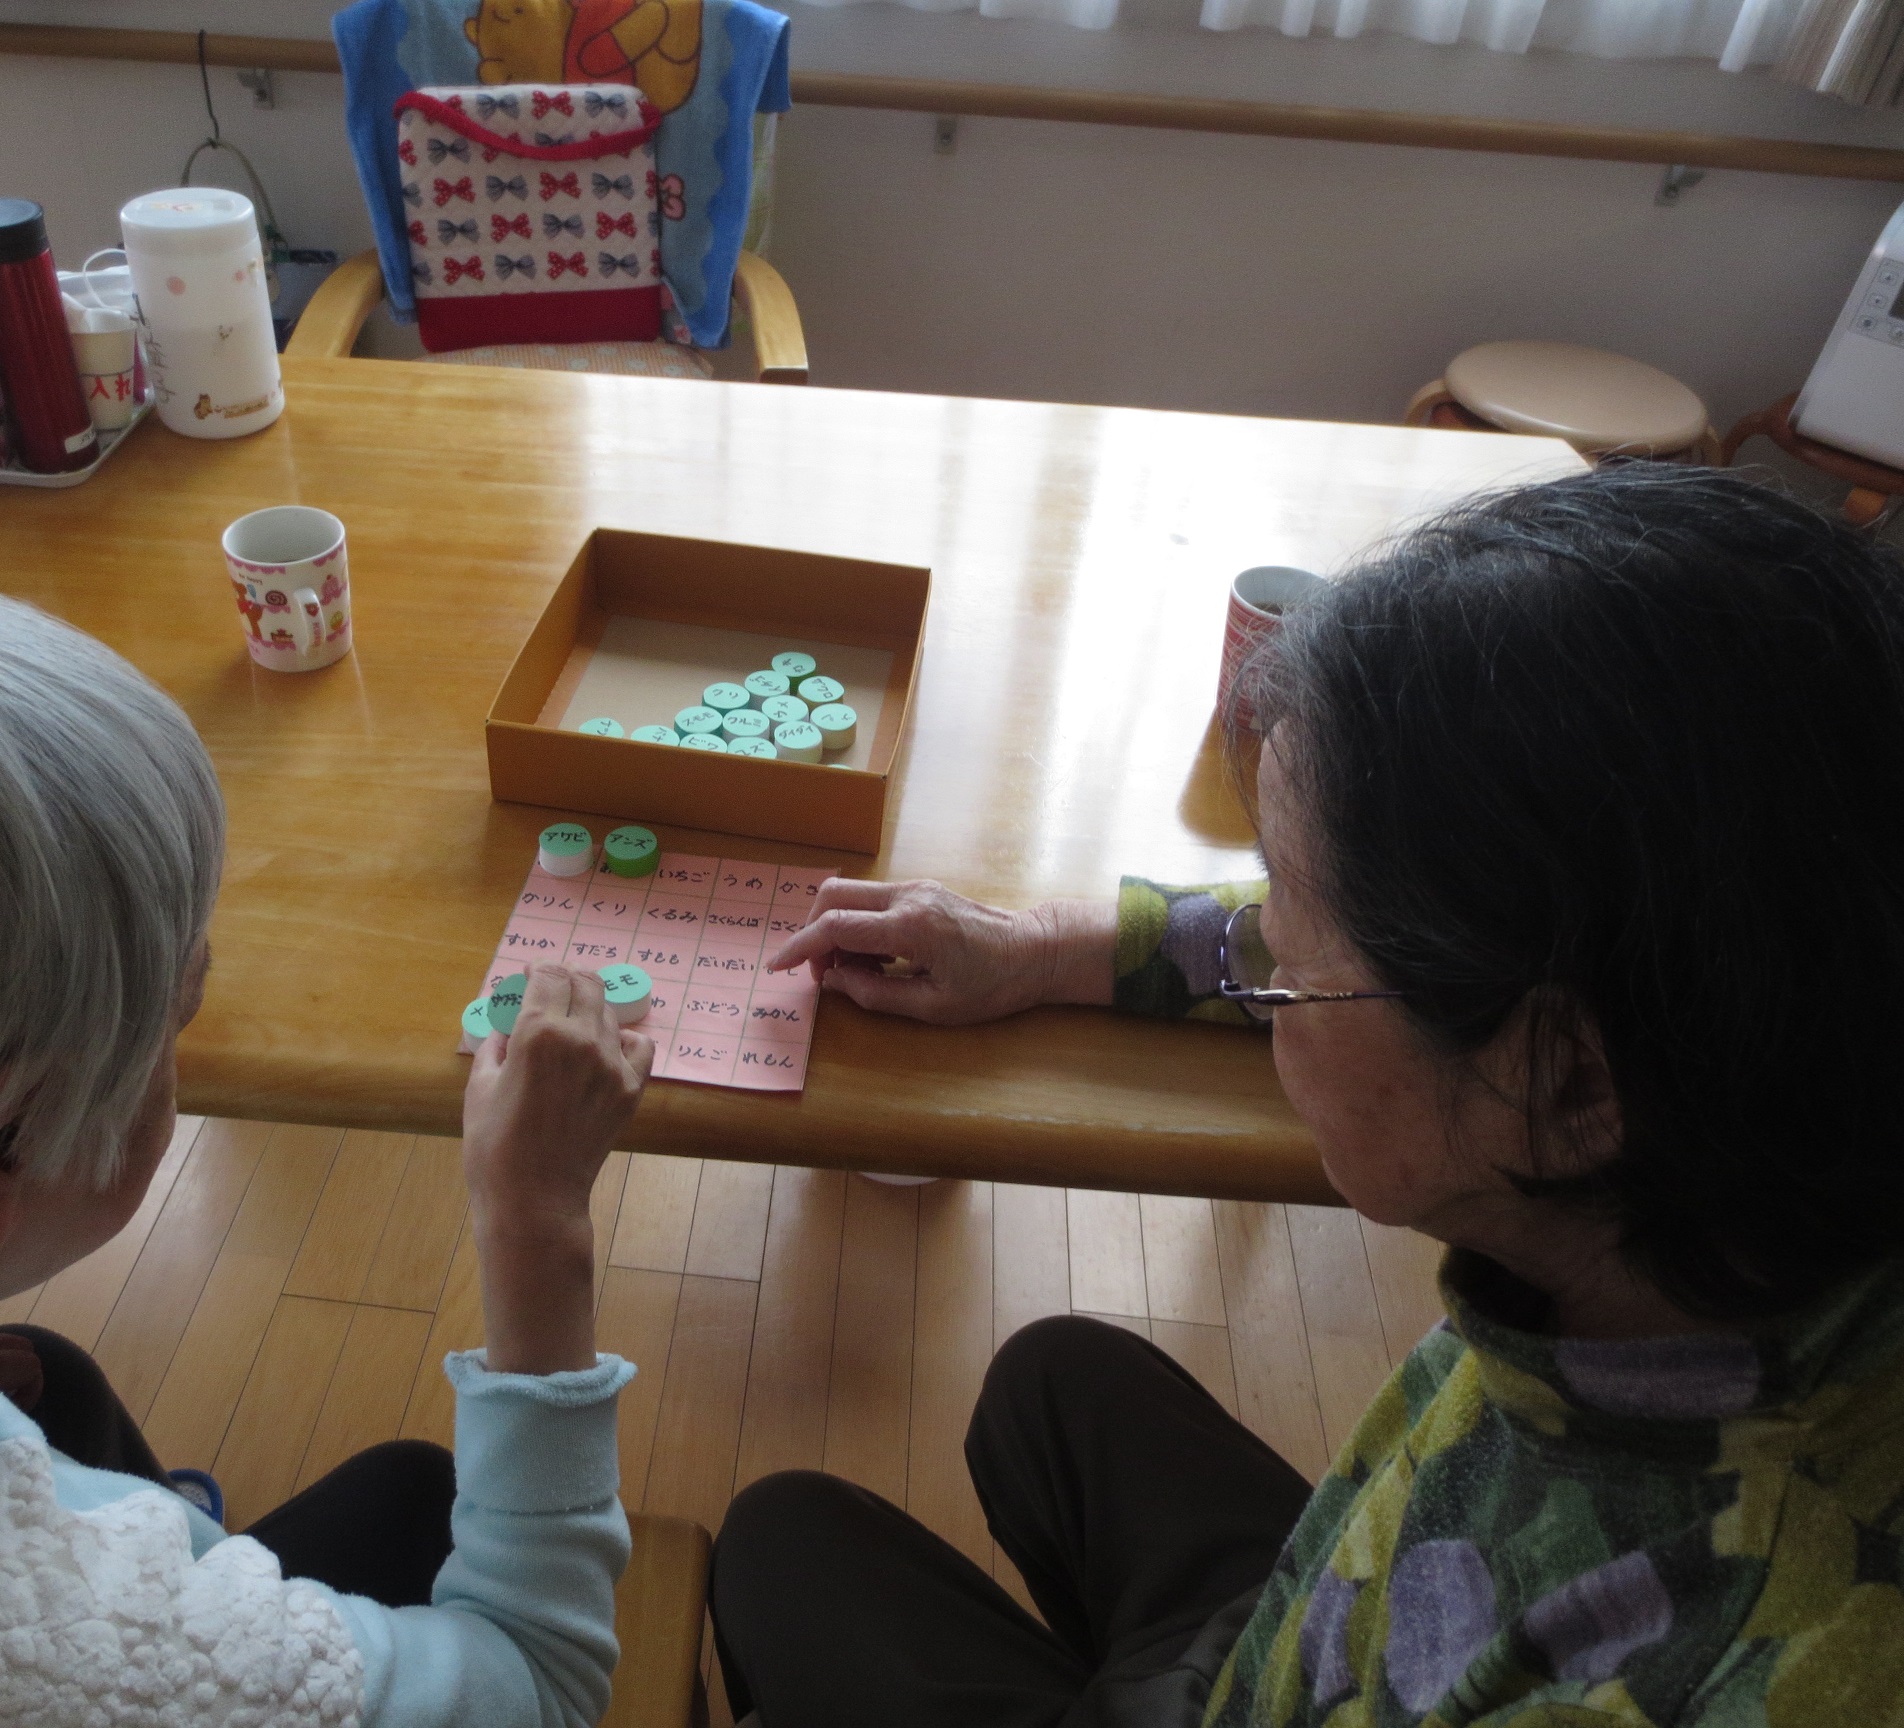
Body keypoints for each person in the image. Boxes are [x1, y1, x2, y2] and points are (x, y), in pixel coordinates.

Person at [710, 466, 1904, 1727]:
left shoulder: (1710, 1673)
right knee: (1054, 1380)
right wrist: (1043, 947)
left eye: (1292, 923)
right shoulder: (1761, 1071)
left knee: (785, 1547)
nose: (1260, 940)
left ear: (1563, 1084)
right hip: (1328, 1625)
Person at [0, 571, 654, 1728]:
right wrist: (537, 1219)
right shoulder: (65, 1668)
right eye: (178, 1009)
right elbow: (539, 1683)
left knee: (60, 1376)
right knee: (415, 1494)